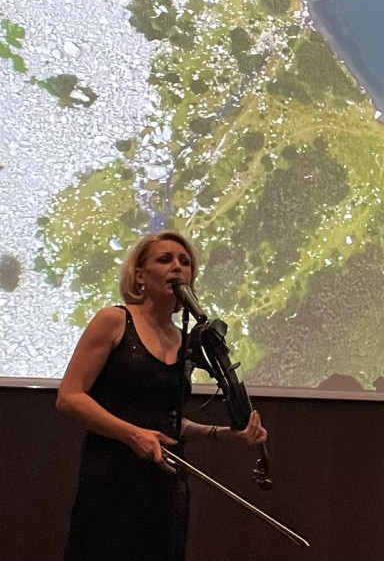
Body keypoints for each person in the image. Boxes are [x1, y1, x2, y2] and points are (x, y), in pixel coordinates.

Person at [56, 230, 268, 561]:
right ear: (140, 275)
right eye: (165, 259)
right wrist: (132, 434)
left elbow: (168, 421)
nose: (177, 267)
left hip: (166, 485)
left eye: (185, 262)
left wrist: (222, 434)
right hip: (112, 477)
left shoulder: (184, 341)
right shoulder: (114, 320)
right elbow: (69, 396)